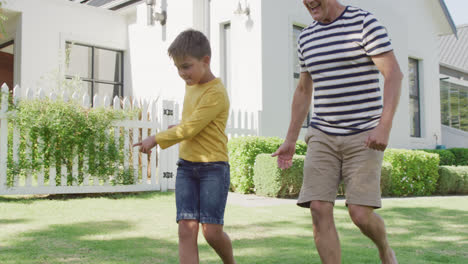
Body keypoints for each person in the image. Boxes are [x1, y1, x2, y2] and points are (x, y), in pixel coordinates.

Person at [272, 1, 402, 263]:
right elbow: (303, 90)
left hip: (363, 132)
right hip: (322, 133)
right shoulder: (306, 37)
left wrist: (384, 126)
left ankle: (385, 248)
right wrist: (290, 139)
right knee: (318, 208)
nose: (308, 2)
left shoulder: (364, 23)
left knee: (360, 214)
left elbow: (394, 75)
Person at [133, 29, 236, 264]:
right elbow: (194, 122)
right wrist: (180, 124)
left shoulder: (216, 92)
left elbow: (191, 129)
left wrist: (155, 139)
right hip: (187, 167)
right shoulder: (192, 83)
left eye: (186, 66)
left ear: (206, 61)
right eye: (178, 68)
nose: (182, 73)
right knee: (186, 229)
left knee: (211, 232)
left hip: (213, 167)